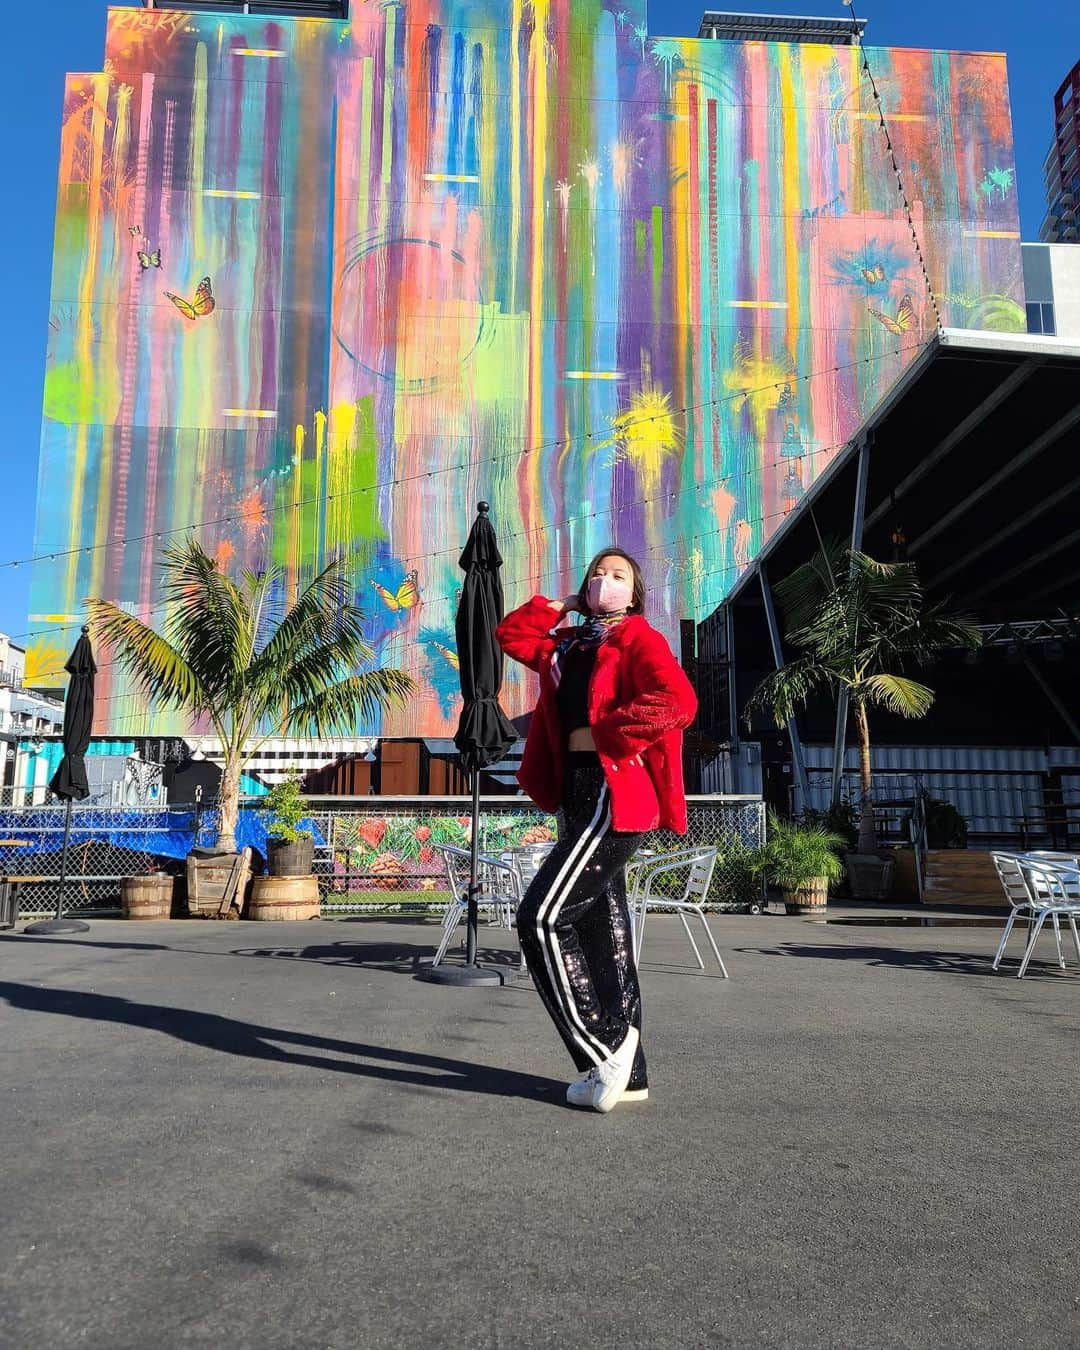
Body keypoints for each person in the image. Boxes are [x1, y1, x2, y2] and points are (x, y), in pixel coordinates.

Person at [495, 549, 697, 1112]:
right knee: (604, 938)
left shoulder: (637, 637)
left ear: (634, 594)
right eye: (596, 574)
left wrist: (611, 734)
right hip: (576, 793)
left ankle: (606, 1046)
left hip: (616, 791)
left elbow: (678, 701)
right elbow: (510, 635)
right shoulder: (567, 644)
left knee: (540, 917)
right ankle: (628, 1077)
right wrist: (560, 605)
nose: (603, 581)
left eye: (617, 576)